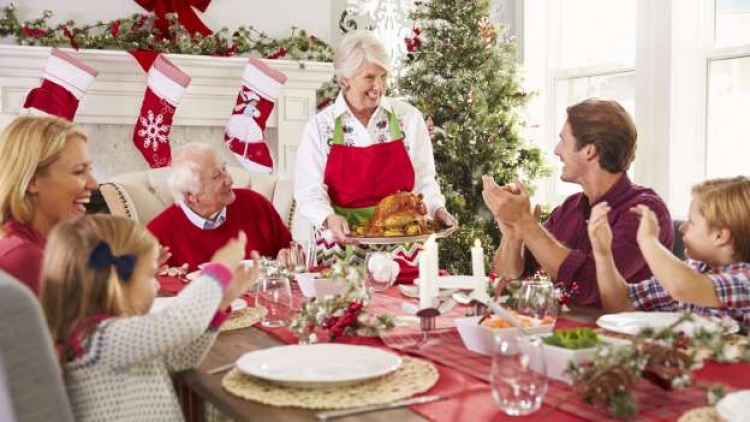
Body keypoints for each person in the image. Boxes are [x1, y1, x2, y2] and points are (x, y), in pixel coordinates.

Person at [40, 214, 260, 421]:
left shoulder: (110, 337)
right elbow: (182, 321)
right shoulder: (98, 340)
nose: (156, 286)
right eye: (151, 275)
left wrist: (220, 302)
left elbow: (183, 357)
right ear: (116, 281)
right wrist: (217, 270)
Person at [294, 30, 456, 278]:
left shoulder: (407, 118)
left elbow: (424, 180)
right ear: (345, 79)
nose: (378, 87)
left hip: (404, 245)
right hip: (343, 244)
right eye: (369, 77)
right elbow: (309, 191)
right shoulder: (320, 127)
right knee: (346, 312)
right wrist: (328, 218)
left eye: (383, 76)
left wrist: (437, 209)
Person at [482, 98, 673, 307]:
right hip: (566, 334)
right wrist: (513, 235)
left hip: (624, 337)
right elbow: (507, 280)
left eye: (563, 140)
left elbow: (588, 287)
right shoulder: (569, 208)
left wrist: (525, 222)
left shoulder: (645, 211)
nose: (556, 150)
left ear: (589, 151)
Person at [588, 176, 750, 331]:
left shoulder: (745, 281)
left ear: (720, 236)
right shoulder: (695, 269)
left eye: (691, 222)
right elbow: (622, 304)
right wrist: (603, 253)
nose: (681, 228)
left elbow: (683, 287)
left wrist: (648, 240)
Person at [147, 143, 292, 271]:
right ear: (191, 195)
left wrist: (289, 255)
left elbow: (289, 250)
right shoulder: (157, 236)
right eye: (216, 176)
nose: (229, 179)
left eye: (224, 169)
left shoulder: (256, 204)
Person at [0, 115, 97, 295]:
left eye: (89, 170)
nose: (93, 184)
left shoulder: (50, 248)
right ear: (32, 181)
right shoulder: (23, 257)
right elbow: (92, 322)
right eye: (78, 171)